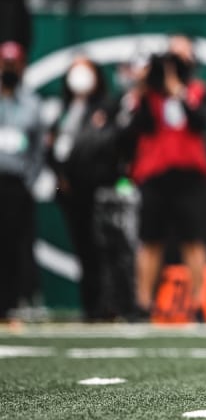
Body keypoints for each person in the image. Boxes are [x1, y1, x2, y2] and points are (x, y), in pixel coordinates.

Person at [127, 35, 206, 320]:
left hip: (187, 175)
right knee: (150, 240)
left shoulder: (198, 91)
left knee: (192, 239)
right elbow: (141, 128)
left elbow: (200, 121)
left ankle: (198, 302)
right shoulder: (147, 96)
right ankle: (143, 304)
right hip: (154, 173)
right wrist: (142, 86)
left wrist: (178, 90)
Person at [47, 56, 117, 321]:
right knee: (83, 249)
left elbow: (106, 148)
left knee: (102, 249)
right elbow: (53, 148)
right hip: (69, 191)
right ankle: (91, 306)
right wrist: (59, 175)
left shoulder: (104, 109)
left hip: (96, 189)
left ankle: (106, 304)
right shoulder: (64, 111)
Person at [0, 41, 44, 325]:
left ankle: (11, 304)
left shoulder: (32, 104)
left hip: (16, 183)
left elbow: (38, 148)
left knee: (15, 245)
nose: (9, 69)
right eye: (6, 63)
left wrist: (30, 179)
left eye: (14, 64)